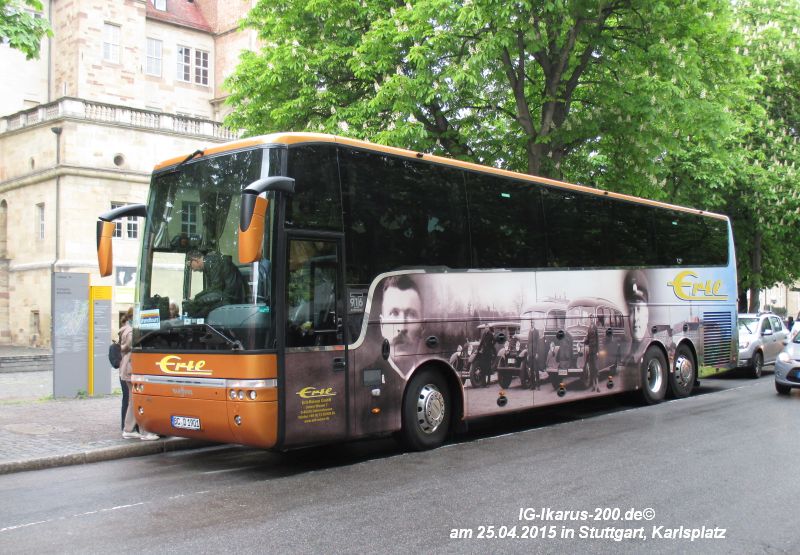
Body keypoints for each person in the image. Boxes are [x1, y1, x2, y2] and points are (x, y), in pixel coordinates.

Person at [120, 307, 159, 441]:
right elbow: (132, 347)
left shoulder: (127, 329)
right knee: (140, 400)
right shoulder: (131, 332)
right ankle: (144, 432)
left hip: (128, 368)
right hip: (132, 368)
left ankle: (128, 429)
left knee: (133, 401)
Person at [379, 275, 424, 374]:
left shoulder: (428, 372)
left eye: (411, 314)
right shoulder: (360, 376)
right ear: (382, 326)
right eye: (394, 313)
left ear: (421, 328)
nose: (402, 327)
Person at [184, 249, 246, 317]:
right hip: (229, 296)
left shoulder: (213, 263)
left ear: (195, 260)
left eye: (190, 266)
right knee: (197, 308)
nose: (193, 270)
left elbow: (215, 289)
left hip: (231, 298)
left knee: (196, 310)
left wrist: (196, 299)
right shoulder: (210, 263)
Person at [624, 269, 650, 344]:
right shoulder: (627, 348)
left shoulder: (650, 346)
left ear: (647, 314)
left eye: (639, 309)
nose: (635, 318)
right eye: (631, 310)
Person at [584, 315, 600, 392]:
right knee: (592, 368)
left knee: (596, 368)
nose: (591, 320)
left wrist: (598, 351)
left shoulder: (595, 327)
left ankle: (598, 387)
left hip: (595, 350)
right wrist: (584, 341)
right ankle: (593, 386)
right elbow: (587, 340)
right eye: (590, 319)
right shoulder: (589, 328)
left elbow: (598, 339)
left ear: (593, 319)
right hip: (590, 350)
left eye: (591, 318)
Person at [527, 320, 541, 390]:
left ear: (534, 324)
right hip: (530, 353)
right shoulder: (529, 332)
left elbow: (538, 343)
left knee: (536, 370)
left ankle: (538, 385)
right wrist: (528, 354)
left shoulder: (536, 331)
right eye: (531, 323)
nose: (532, 324)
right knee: (531, 370)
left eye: (533, 323)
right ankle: (533, 386)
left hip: (535, 353)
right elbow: (528, 343)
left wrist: (537, 353)